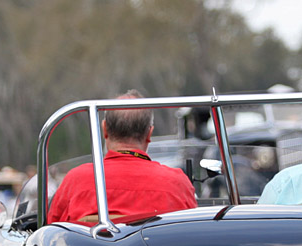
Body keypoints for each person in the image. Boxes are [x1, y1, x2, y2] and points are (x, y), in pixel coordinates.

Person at [48, 90, 198, 224]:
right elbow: (192, 237)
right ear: (149, 134)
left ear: (104, 129)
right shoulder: (177, 184)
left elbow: (52, 236)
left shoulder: (75, 182)